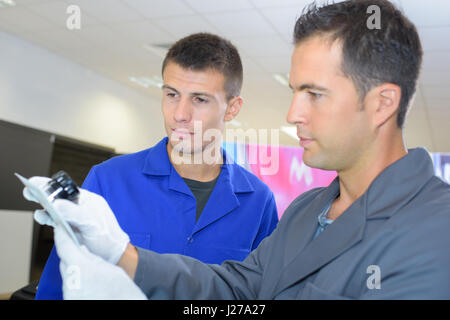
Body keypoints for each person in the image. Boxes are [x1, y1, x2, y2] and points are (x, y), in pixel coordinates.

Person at [26, 0, 450, 299]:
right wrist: (122, 254)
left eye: (314, 94)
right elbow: (236, 291)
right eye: (294, 91)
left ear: (382, 103)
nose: (293, 113)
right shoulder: (305, 211)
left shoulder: (436, 230)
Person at [32, 33, 279, 300]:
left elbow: (261, 296)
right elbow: (57, 289)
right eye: (172, 94)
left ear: (232, 108)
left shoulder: (258, 202)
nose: (180, 114)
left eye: (200, 99)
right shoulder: (108, 180)